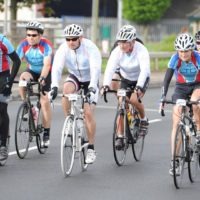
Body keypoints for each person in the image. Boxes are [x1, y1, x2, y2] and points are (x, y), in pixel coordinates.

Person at [50, 24, 101, 164]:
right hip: (76, 77)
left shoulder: (90, 47)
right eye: (68, 39)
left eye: (74, 39)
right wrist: (54, 86)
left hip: (90, 79)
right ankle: (70, 120)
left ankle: (91, 148)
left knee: (88, 113)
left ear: (81, 38)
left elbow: (96, 69)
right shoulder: (63, 48)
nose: (70, 42)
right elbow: (57, 68)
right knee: (66, 90)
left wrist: (91, 88)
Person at [101, 25, 150, 149]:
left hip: (141, 78)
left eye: (125, 42)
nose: (122, 45)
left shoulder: (141, 50)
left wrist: (139, 87)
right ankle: (120, 136)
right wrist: (105, 85)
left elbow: (144, 70)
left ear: (133, 42)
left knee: (134, 99)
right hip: (126, 78)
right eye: (120, 42)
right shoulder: (117, 51)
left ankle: (143, 119)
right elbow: (110, 68)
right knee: (122, 104)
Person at [159, 33, 200, 175]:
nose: (183, 54)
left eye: (186, 51)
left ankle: (198, 133)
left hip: (197, 85)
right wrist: (162, 99)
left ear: (192, 50)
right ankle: (174, 160)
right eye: (181, 51)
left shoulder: (198, 57)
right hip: (181, 87)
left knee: (195, 103)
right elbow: (166, 80)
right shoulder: (175, 58)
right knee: (176, 122)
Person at [16, 21, 53, 147]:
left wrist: (42, 78)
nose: (30, 37)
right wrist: (9, 78)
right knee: (22, 80)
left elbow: (47, 64)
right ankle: (27, 106)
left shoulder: (46, 45)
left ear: (40, 36)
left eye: (34, 35)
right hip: (32, 70)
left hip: (45, 72)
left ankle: (46, 133)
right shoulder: (23, 45)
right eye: (28, 35)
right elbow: (16, 62)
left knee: (44, 101)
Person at [0, 34, 21, 161]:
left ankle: (3, 146)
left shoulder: (3, 40)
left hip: (3, 77)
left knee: (2, 109)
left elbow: (17, 61)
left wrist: (10, 82)